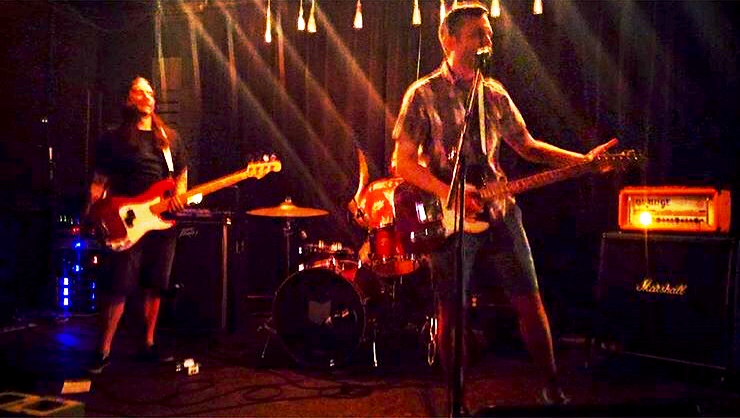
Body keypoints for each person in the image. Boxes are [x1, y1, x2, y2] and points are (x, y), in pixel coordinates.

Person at [391, 1, 615, 405]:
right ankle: (457, 400)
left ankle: (552, 389)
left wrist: (582, 162)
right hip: (449, 218)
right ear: (449, 39)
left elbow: (527, 146)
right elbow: (402, 163)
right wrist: (449, 193)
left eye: (489, 33)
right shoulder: (422, 94)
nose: (487, 40)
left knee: (530, 300)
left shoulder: (494, 94)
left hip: (501, 212)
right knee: (452, 311)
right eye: (478, 33)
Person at [85, 76, 188, 374]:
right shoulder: (113, 138)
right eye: (139, 92)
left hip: (161, 222)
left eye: (150, 92)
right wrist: (92, 213)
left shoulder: (169, 138)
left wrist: (180, 197)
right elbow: (99, 181)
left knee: (155, 284)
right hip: (125, 220)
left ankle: (148, 344)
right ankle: (103, 350)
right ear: (128, 99)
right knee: (117, 286)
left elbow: (181, 174)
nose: (146, 97)